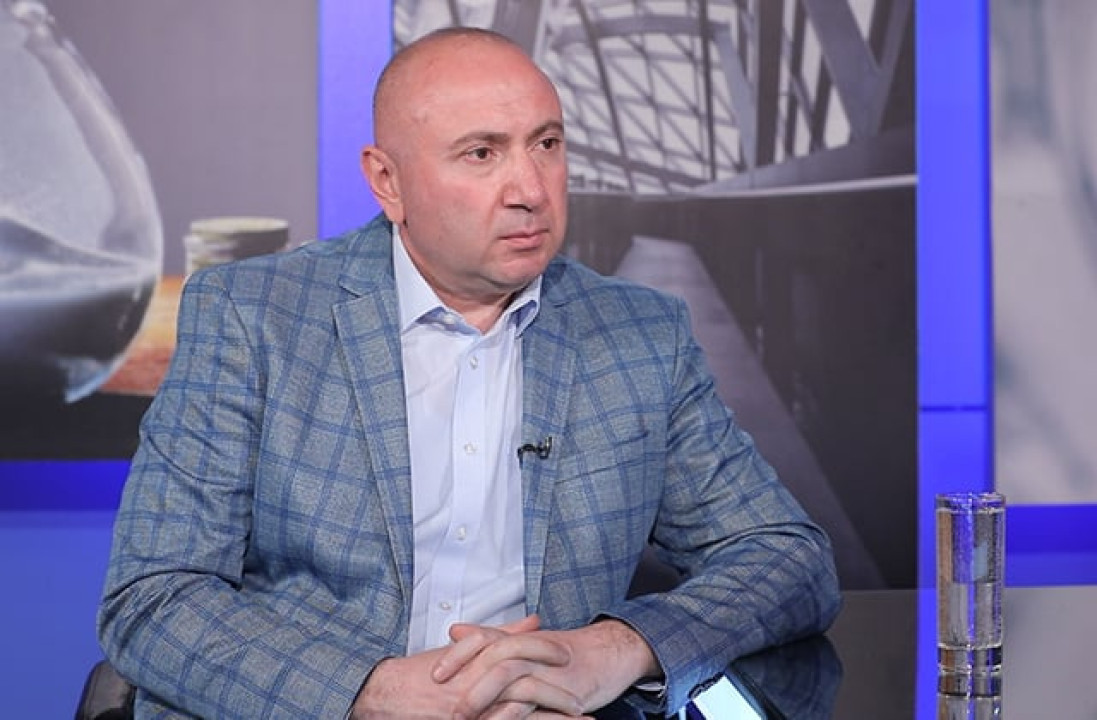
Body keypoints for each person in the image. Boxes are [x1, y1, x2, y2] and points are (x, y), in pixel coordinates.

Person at [98, 27, 840, 720]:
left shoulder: (640, 335)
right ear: (387, 181)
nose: (530, 189)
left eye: (546, 144)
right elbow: (153, 597)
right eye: (481, 153)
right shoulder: (253, 316)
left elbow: (787, 558)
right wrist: (371, 694)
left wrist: (616, 649)